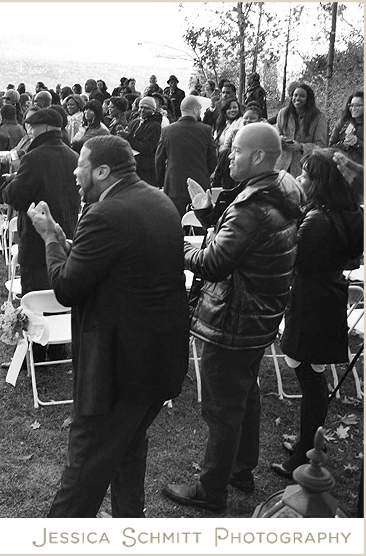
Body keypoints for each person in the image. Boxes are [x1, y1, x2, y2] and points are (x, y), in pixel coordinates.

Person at [27, 135, 187, 517]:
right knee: (129, 448)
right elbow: (101, 270)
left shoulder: (106, 214)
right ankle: (130, 523)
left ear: (101, 171)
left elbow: (66, 288)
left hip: (117, 372)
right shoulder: (157, 199)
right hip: (158, 360)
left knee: (84, 469)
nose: (74, 170)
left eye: (80, 163)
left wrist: (49, 237)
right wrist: (66, 241)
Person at [162, 123, 303, 512]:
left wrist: (176, 247)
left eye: (236, 150)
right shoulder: (282, 190)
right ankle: (239, 468)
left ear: (259, 156)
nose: (228, 156)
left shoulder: (251, 207)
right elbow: (240, 248)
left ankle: (211, 489)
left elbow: (214, 262)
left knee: (222, 407)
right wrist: (208, 214)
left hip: (233, 319)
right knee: (245, 394)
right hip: (260, 316)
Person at [271, 149, 364, 479]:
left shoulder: (317, 221)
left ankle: (305, 453)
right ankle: (309, 443)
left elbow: (293, 261)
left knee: (310, 378)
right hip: (329, 296)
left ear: (321, 182)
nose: (300, 178)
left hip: (312, 301)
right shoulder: (347, 212)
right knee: (313, 374)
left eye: (307, 175)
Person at [0, 108, 81, 363]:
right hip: (67, 233)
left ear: (43, 128)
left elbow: (17, 195)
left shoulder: (33, 158)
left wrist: (11, 181)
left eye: (32, 127)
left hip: (36, 237)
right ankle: (58, 348)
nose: (29, 132)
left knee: (34, 291)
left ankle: (35, 354)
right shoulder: (74, 156)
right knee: (59, 287)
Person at [155, 95, 217, 216]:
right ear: (195, 110)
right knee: (199, 223)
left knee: (176, 222)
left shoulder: (167, 131)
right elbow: (213, 160)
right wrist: (204, 174)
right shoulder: (206, 130)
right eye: (199, 110)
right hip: (199, 183)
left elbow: (159, 160)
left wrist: (162, 181)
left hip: (174, 184)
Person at [276, 84, 328, 176]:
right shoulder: (283, 113)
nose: (297, 98)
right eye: (295, 95)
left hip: (303, 168)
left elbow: (321, 145)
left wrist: (301, 146)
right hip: (281, 165)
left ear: (308, 99)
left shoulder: (318, 117)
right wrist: (280, 139)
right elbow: (277, 134)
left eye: (302, 96)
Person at [117, 96, 162, 186]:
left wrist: (128, 137)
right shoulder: (135, 122)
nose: (142, 110)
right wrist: (122, 133)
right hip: (132, 165)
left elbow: (147, 148)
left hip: (146, 169)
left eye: (146, 108)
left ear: (153, 110)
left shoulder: (154, 126)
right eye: (141, 107)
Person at [0, 104, 25, 200]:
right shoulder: (22, 129)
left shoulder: (0, 132)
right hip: (20, 171)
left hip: (2, 174)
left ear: (2, 116)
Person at [329, 91, 364, 165]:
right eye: (351, 105)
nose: (353, 108)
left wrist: (357, 143)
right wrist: (344, 145)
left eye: (357, 105)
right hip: (340, 167)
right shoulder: (342, 122)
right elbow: (330, 146)